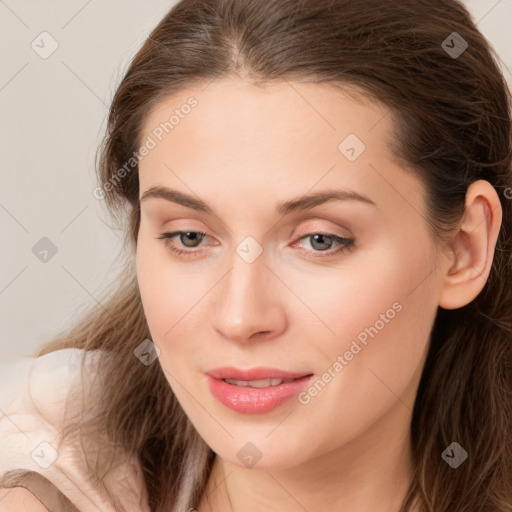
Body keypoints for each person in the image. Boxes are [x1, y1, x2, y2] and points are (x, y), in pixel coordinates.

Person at [1, 0, 511, 510]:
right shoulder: (42, 476)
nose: (240, 318)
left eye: (320, 240)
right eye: (190, 237)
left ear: (463, 249)